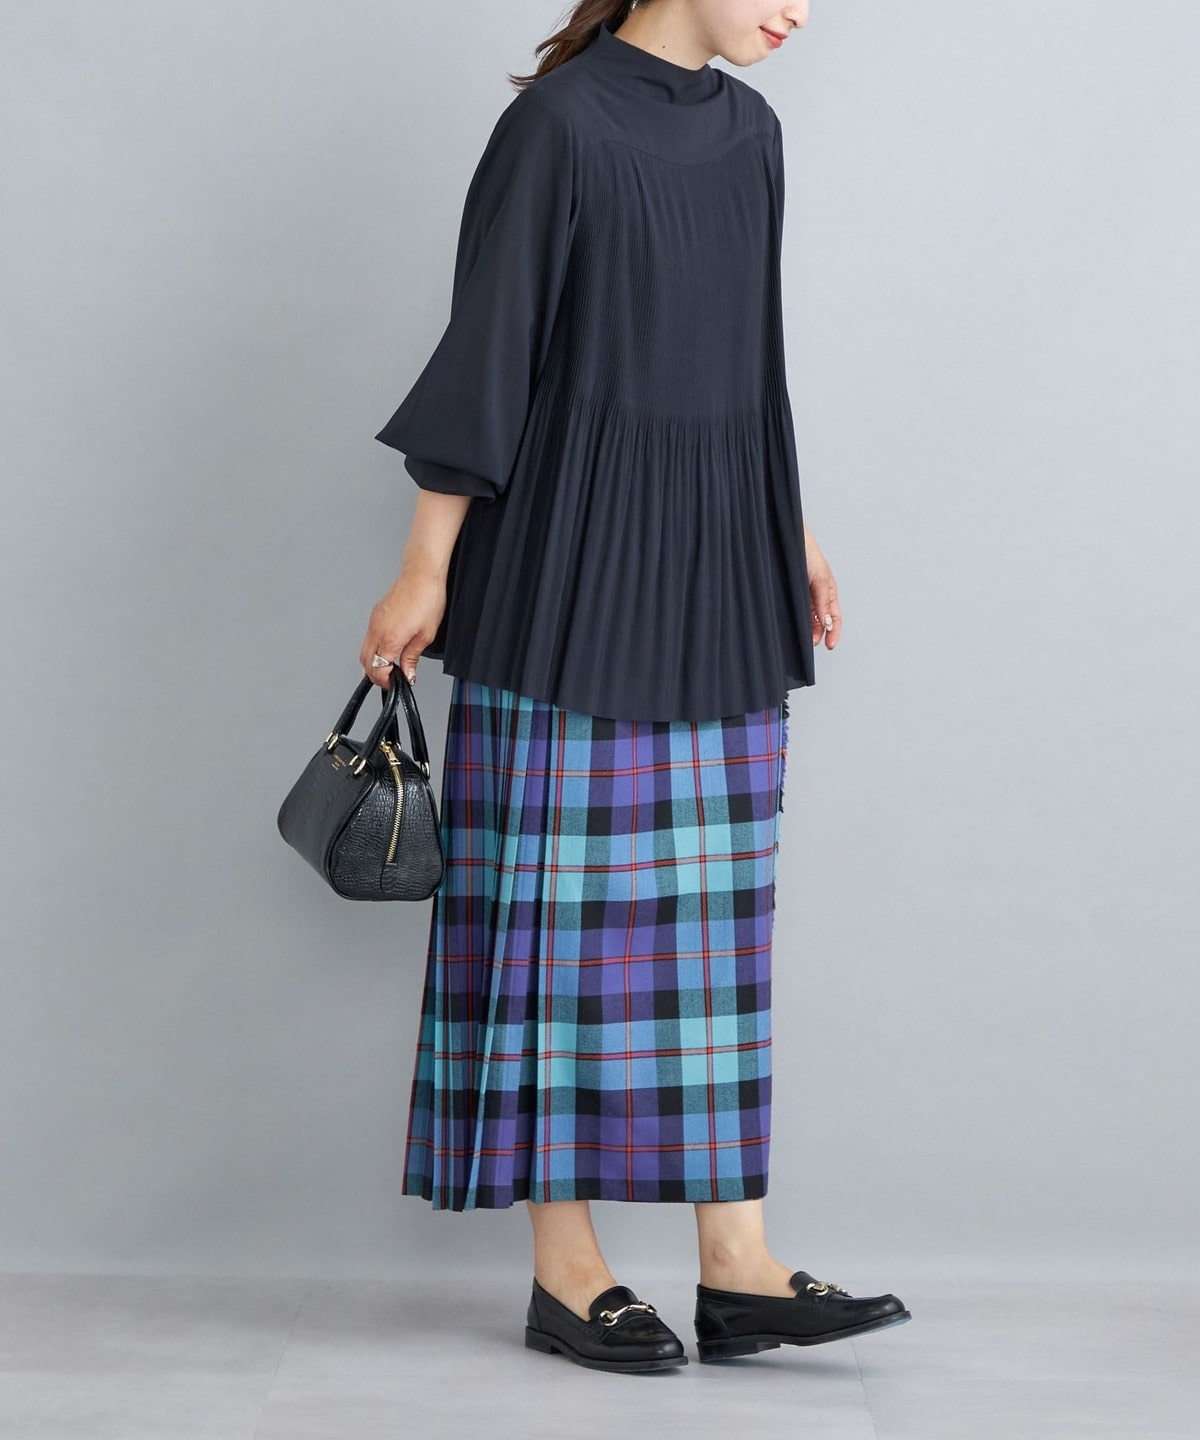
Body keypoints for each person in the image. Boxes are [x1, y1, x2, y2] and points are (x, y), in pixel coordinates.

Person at [360, 0, 910, 1372]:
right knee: (558, 924)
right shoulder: (556, 127)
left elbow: (747, 357)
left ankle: (739, 1266)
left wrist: (791, 527)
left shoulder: (753, 134)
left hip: (720, 552)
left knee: (714, 926)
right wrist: (425, 568)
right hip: (571, 558)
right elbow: (489, 352)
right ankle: (569, 1273)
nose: (801, 10)